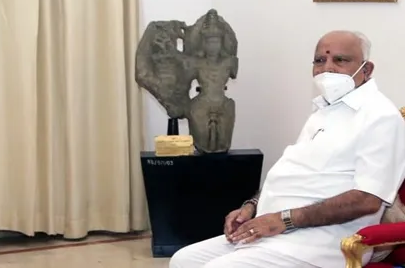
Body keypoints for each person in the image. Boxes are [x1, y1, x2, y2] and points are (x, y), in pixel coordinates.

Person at [169, 30, 405, 267]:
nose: (327, 68)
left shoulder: (380, 116)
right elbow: (292, 174)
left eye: (340, 60)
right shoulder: (324, 111)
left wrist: (284, 220)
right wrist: (251, 206)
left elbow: (368, 199)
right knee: (183, 260)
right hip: (278, 231)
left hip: (326, 241)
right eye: (320, 60)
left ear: (366, 69)